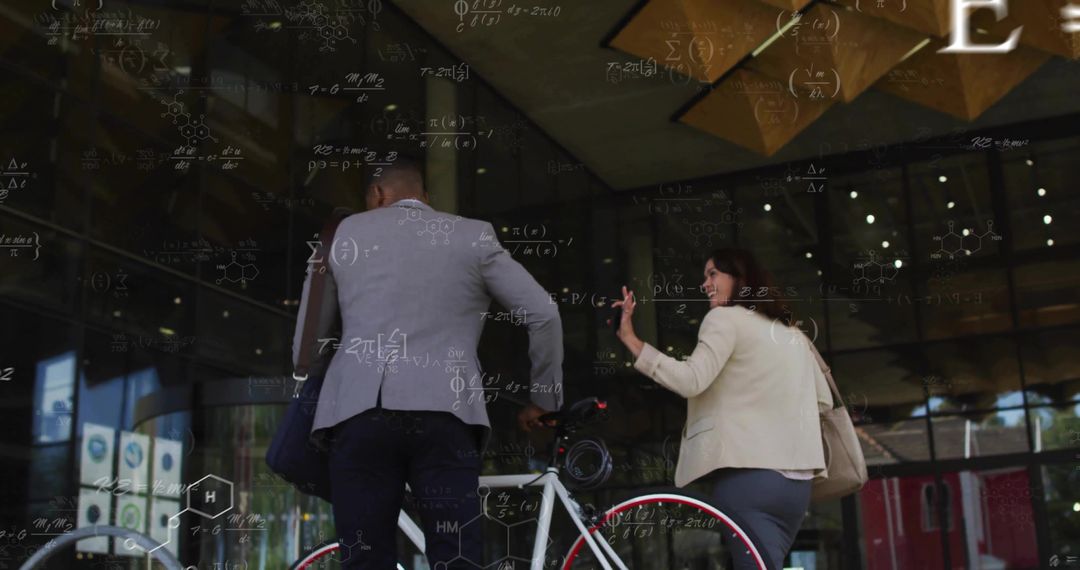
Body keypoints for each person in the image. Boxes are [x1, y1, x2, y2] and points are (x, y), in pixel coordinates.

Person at [292, 157, 564, 569]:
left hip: (361, 414)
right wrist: (544, 399)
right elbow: (544, 313)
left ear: (377, 195)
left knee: (365, 558)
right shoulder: (473, 236)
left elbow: (305, 348)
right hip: (447, 416)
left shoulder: (345, 233)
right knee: (456, 556)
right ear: (425, 198)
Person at [611, 248, 833, 570]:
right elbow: (820, 401)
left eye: (713, 274)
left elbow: (691, 380)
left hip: (750, 480)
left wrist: (631, 340)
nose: (705, 283)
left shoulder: (724, 318)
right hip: (797, 488)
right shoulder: (793, 334)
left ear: (741, 279)